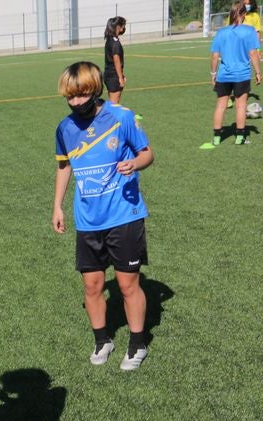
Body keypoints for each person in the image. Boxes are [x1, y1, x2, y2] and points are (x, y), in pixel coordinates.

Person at [52, 62, 154, 371]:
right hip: (88, 220)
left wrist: (135, 164)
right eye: (70, 97)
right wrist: (57, 205)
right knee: (92, 287)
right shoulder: (65, 128)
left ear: (95, 89)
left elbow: (148, 153)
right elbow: (64, 165)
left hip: (124, 216)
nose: (76, 103)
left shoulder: (121, 117)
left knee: (127, 286)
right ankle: (102, 340)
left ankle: (137, 344)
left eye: (81, 95)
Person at [208, 1, 262, 147]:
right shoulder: (249, 31)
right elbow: (253, 54)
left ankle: (217, 137)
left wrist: (213, 74)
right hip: (242, 75)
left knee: (220, 106)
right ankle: (240, 137)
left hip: (223, 75)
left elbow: (214, 56)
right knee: (241, 106)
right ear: (244, 14)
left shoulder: (221, 32)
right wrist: (258, 72)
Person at [104, 17, 128, 105]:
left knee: (112, 104)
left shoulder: (109, 39)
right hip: (113, 77)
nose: (124, 28)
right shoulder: (115, 43)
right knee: (114, 105)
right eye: (123, 26)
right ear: (118, 27)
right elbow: (116, 60)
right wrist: (120, 78)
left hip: (109, 75)